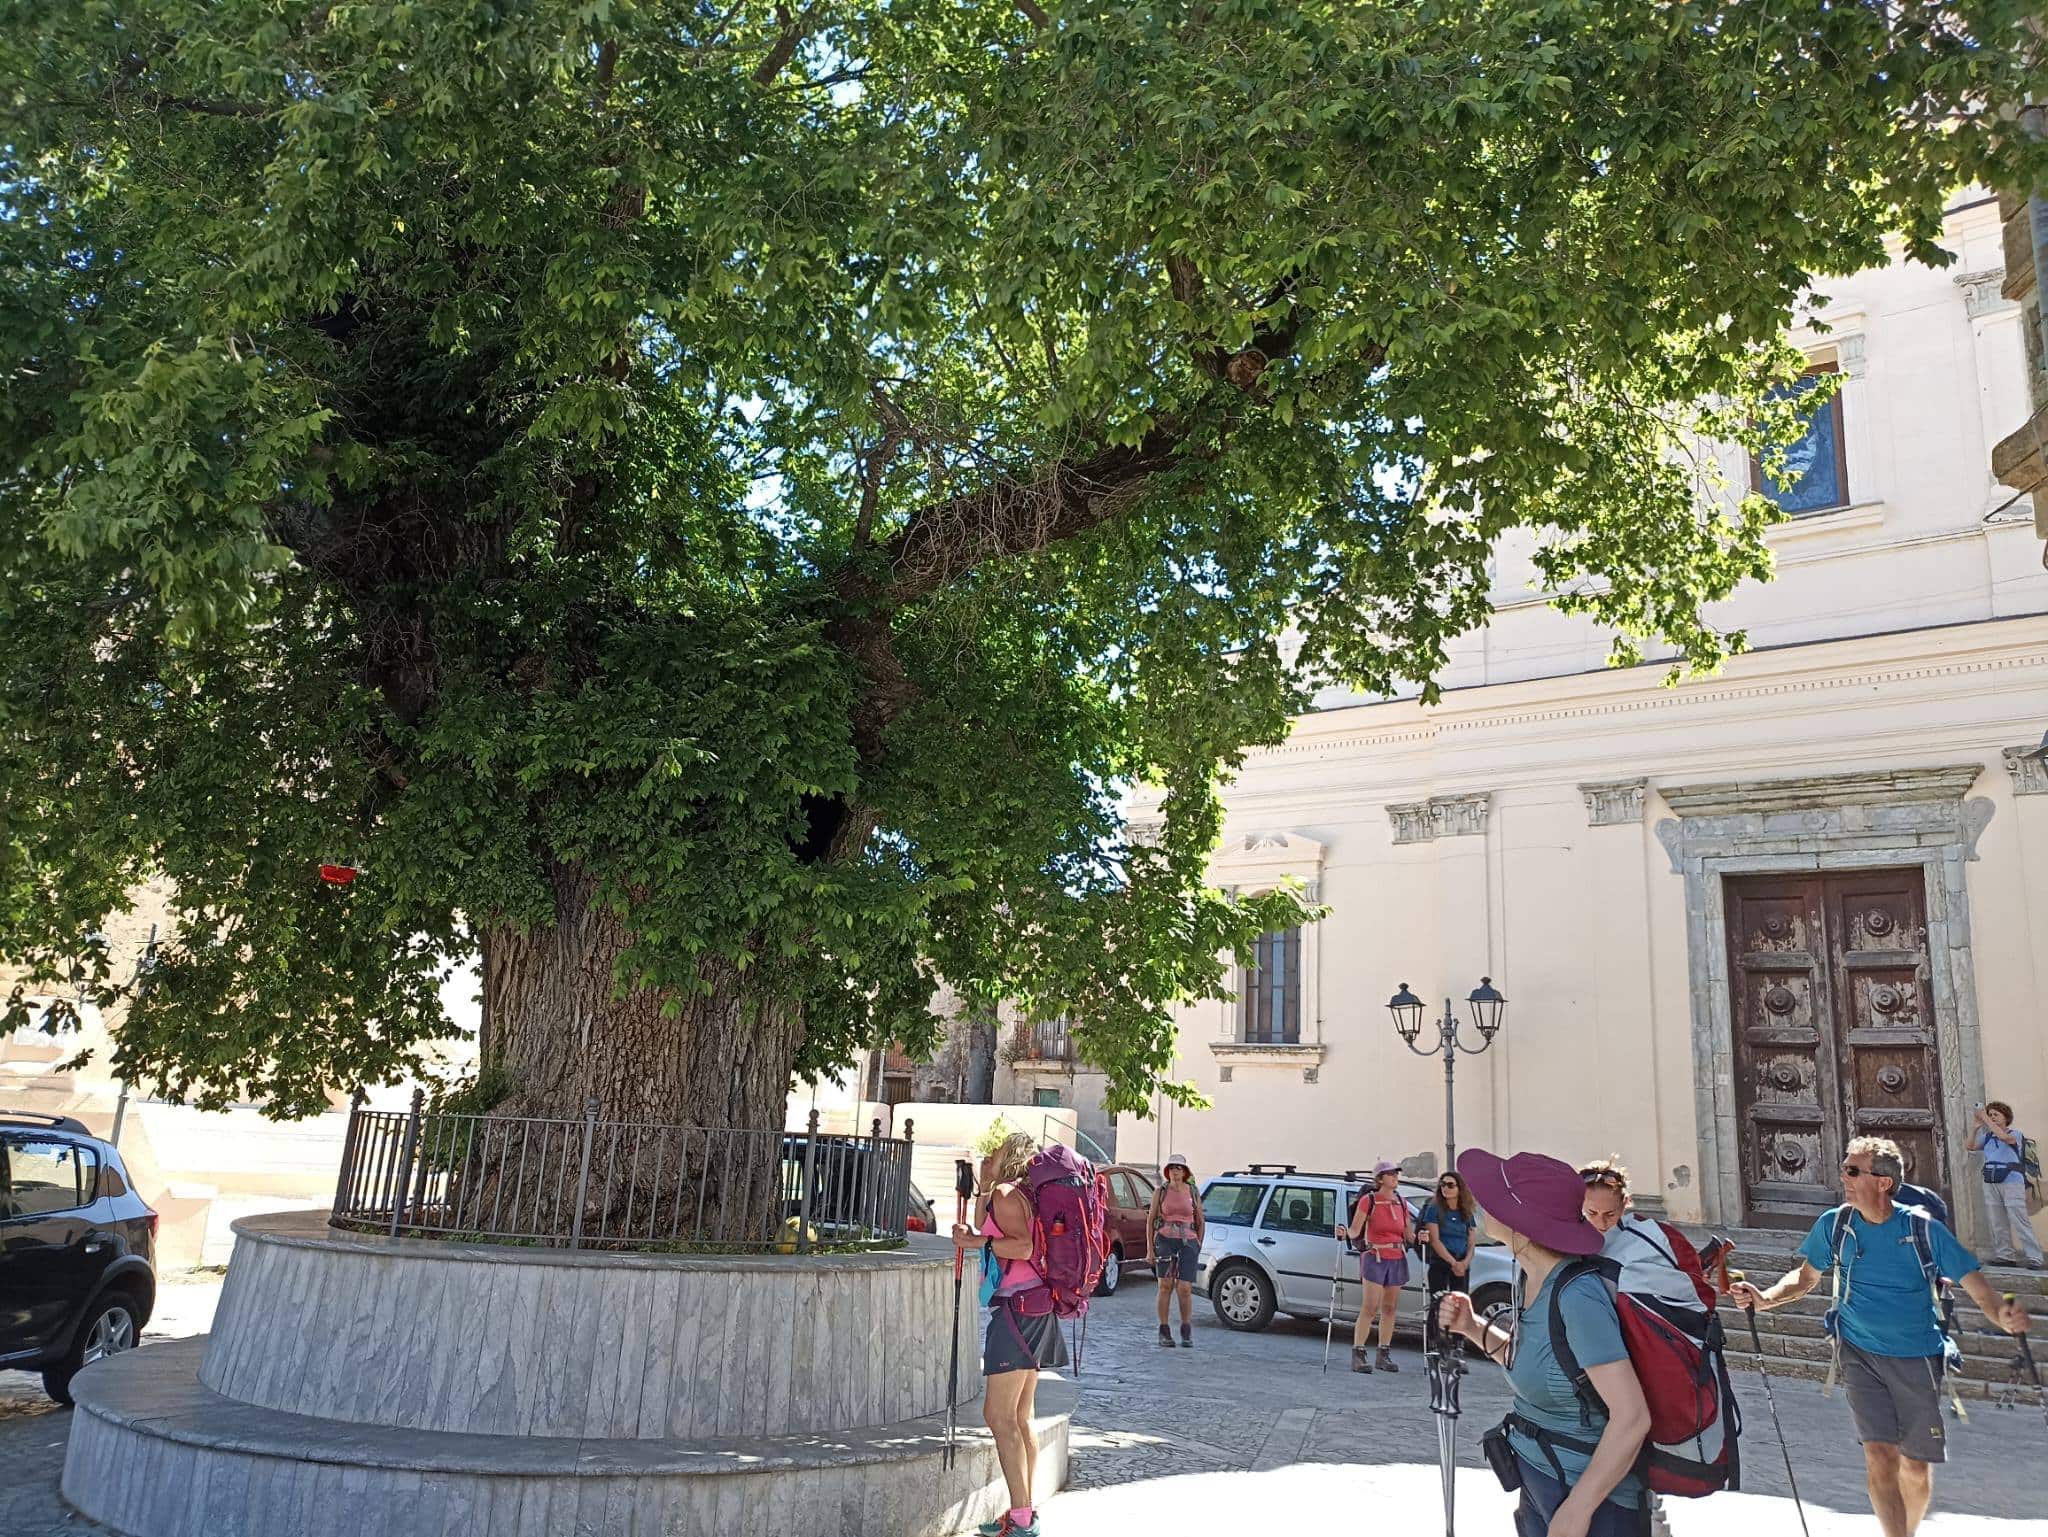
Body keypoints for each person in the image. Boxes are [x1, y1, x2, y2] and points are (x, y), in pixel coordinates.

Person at [1729, 1135, 2030, 1537]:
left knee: (1915, 1466)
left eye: (1853, 1170)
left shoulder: (1924, 1230)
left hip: (1917, 1356)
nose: (1843, 1177)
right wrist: (1763, 1298)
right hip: (1858, 1352)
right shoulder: (1835, 1224)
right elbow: (1805, 1278)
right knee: (1879, 1455)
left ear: (1883, 1182)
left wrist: (2003, 1316)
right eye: (1845, 1168)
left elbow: (1980, 1290)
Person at [1438, 1148, 1653, 1536]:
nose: (1483, 1201)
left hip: (1593, 1506)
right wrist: (1472, 1326)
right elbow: (1538, 1364)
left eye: (1496, 1198)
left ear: (1523, 1223)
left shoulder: (1577, 1296)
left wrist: (1577, 1511)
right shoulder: (1529, 1279)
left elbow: (1632, 1417)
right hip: (1541, 1482)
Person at [953, 1131, 1067, 1537]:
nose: (989, 1154)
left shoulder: (1006, 1192)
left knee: (998, 1416)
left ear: (1010, 1156)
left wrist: (976, 1239)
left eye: (996, 1150)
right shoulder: (1024, 1194)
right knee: (1020, 1417)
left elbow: (1020, 1247)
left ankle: (1022, 1518)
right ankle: (1024, 1512)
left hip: (1017, 1311)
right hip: (1035, 1306)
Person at [1337, 1160, 1414, 1373]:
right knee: (1370, 1307)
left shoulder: (1401, 1202)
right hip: (1375, 1256)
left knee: (1389, 1309)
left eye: (1395, 1174)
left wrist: (1421, 1237)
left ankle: (1384, 1354)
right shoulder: (1368, 1201)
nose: (1395, 1177)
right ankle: (1359, 1353)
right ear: (1380, 1179)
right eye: (1390, 1174)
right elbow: (1355, 1230)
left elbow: (1408, 1234)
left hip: (1396, 1256)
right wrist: (1344, 1233)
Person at [1968, 1101, 2044, 1269]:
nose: (1993, 1117)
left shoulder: (2015, 1134)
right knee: (1997, 1221)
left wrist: (1985, 1118)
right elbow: (1970, 1146)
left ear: (2006, 1117)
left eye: (1996, 1114)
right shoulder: (1987, 1137)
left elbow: (2004, 1137)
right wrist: (1975, 1128)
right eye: (1991, 1114)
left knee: (2019, 1219)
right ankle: (2005, 1256)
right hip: (1991, 1181)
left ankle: (2035, 1257)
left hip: (2011, 1181)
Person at [1417, 1169, 1482, 1350]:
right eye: (1443, 1184)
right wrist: (1453, 1263)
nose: (1445, 1188)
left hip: (1462, 1262)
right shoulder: (1434, 1210)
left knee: (1460, 1305)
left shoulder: (1466, 1212)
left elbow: (1471, 1242)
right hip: (1441, 1262)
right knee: (1438, 1302)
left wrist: (1464, 1263)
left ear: (1459, 1188)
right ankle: (1434, 1344)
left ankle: (1457, 1345)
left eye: (1450, 1185)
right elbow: (1435, 1240)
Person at [1145, 1153, 1205, 1348]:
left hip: (1188, 1242)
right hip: (1165, 1240)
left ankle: (1186, 1330)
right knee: (1165, 1285)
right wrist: (1150, 1250)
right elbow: (1150, 1220)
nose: (1175, 1171)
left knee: (1184, 1288)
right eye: (1172, 1168)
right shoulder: (1160, 1192)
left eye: (1178, 1168)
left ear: (1184, 1172)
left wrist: (1198, 1245)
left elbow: (1200, 1221)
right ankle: (1164, 1330)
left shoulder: (1193, 1191)